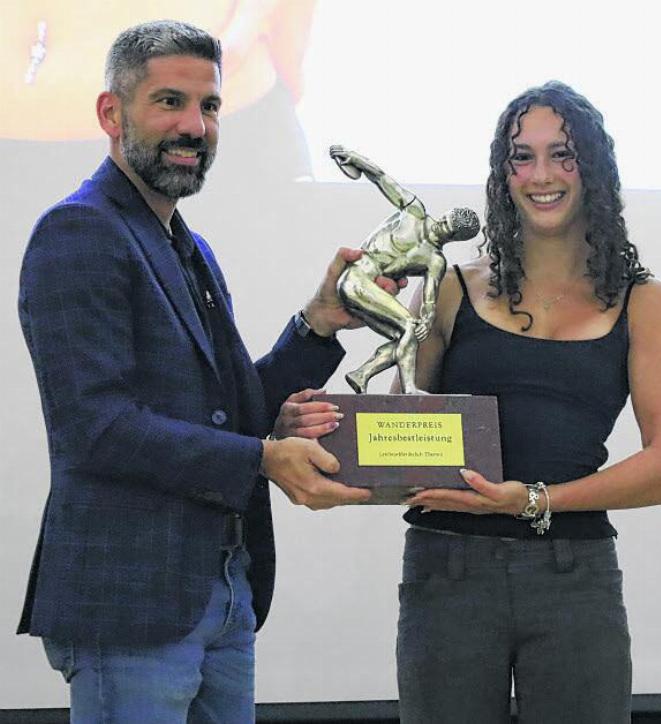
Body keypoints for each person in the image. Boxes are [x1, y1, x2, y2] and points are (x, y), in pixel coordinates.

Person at [281, 81, 661, 722]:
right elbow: (403, 420)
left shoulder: (645, 302)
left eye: (563, 155)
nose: (541, 175)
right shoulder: (448, 285)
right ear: (502, 175)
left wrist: (534, 499)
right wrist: (320, 424)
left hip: (573, 573)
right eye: (521, 157)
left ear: (595, 168)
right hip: (447, 568)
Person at [16, 19, 389, 723]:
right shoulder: (79, 233)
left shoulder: (189, 247)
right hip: (133, 606)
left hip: (222, 591)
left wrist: (318, 322)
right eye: (169, 102)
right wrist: (262, 456)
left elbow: (230, 409)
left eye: (209, 106)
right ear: (110, 112)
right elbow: (97, 428)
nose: (195, 125)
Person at [329, 145, 480, 393]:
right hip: (356, 278)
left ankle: (362, 373)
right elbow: (382, 179)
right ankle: (409, 389)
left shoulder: (435, 260)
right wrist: (356, 159)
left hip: (365, 289)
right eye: (444, 221)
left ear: (454, 237)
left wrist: (428, 320)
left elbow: (429, 300)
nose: (440, 228)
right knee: (408, 327)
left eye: (448, 230)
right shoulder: (414, 212)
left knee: (408, 336)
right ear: (444, 215)